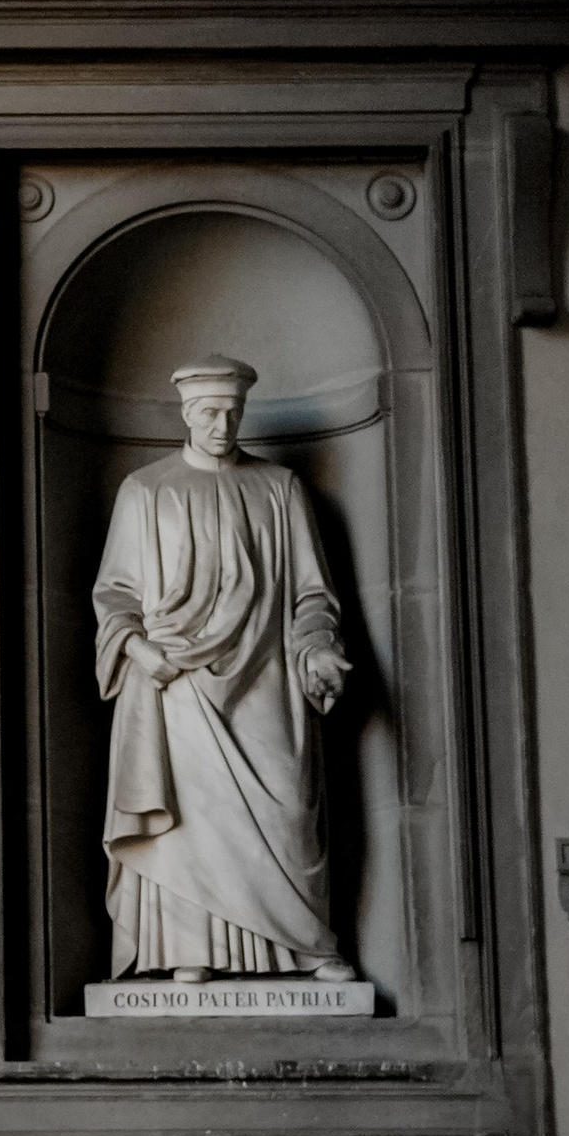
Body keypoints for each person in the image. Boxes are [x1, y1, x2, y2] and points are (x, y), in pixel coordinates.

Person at [91, 354, 358, 982]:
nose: (223, 424)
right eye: (210, 412)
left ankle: (306, 945)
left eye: (233, 413)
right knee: (190, 820)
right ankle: (190, 950)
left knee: (289, 809)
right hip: (174, 685)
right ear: (187, 414)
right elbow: (115, 594)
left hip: (266, 678)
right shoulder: (146, 489)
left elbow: (311, 595)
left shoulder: (280, 489)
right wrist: (136, 647)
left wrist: (317, 646)